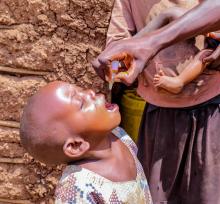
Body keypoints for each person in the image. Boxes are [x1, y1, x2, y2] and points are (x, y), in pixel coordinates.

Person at [92, 0, 220, 203]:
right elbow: (114, 65)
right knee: (159, 195)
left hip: (212, 110)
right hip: (159, 117)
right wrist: (154, 28)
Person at [19, 81, 152, 204]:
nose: (90, 93)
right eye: (81, 103)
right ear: (76, 146)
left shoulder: (119, 136)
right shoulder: (77, 188)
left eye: (81, 89)